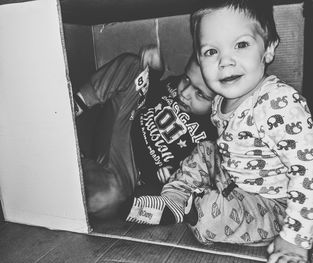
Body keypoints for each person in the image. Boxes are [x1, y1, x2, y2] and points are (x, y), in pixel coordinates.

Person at [124, 1, 313, 263]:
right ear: (199, 57)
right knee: (205, 150)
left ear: (268, 48)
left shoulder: (279, 102)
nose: (225, 61)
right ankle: (173, 198)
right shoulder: (219, 100)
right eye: (211, 51)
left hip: (271, 205)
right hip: (232, 179)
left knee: (209, 218)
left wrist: (295, 239)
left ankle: (193, 207)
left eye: (241, 44)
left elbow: (310, 170)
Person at [73, 46, 217, 219]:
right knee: (135, 65)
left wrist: (174, 176)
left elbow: (198, 175)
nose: (185, 93)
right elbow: (149, 88)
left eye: (200, 94)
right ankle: (73, 107)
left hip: (130, 172)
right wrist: (156, 69)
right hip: (125, 122)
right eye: (186, 79)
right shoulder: (174, 87)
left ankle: (75, 167)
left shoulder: (211, 134)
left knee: (107, 199)